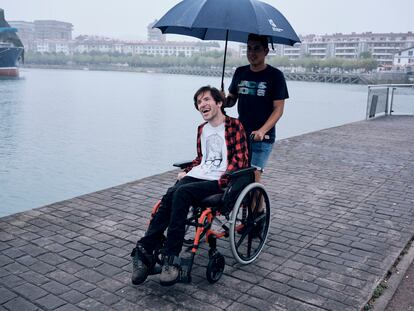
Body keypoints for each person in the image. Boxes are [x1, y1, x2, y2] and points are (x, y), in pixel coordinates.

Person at [131, 86, 249, 286]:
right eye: (198, 103)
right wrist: (188, 170)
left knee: (182, 193)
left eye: (205, 99)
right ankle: (145, 251)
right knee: (170, 194)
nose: (201, 104)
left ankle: (171, 258)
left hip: (220, 181)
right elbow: (202, 159)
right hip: (199, 176)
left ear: (219, 102)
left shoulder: (234, 126)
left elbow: (241, 160)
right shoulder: (202, 129)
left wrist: (223, 178)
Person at [225, 33, 289, 183]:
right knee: (237, 176)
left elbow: (278, 109)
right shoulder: (240, 72)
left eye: (256, 49)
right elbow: (231, 100)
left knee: (254, 177)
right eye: (248, 48)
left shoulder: (275, 76)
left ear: (266, 51)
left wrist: (262, 130)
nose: (251, 53)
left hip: (262, 137)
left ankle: (258, 207)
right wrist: (222, 100)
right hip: (240, 133)